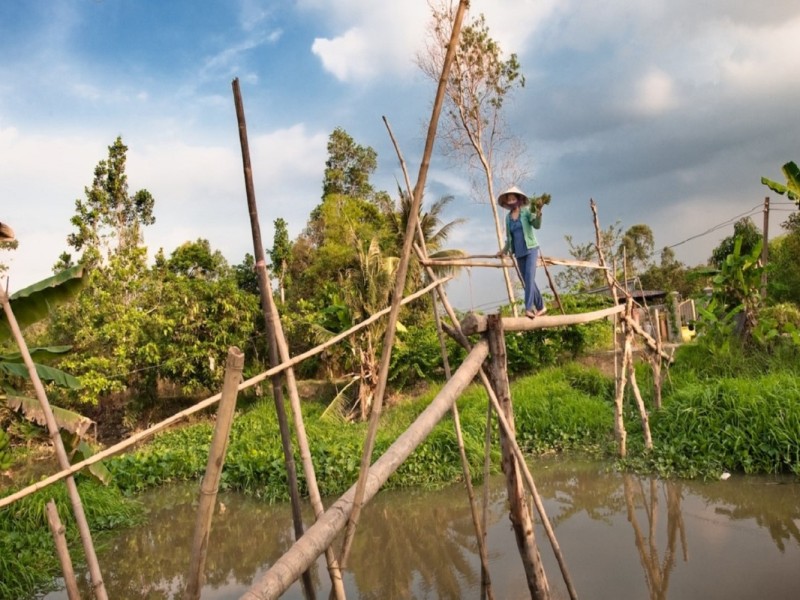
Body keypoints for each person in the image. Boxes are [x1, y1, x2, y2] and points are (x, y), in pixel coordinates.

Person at [495, 186, 546, 319]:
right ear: (507, 203)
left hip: (531, 250)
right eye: (509, 199)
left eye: (513, 198)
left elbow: (537, 225)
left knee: (529, 277)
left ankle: (528, 308)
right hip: (519, 253)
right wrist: (504, 251)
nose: (511, 201)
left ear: (518, 200)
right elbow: (509, 238)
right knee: (528, 280)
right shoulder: (508, 218)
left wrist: (539, 213)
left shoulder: (526, 213)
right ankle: (541, 306)